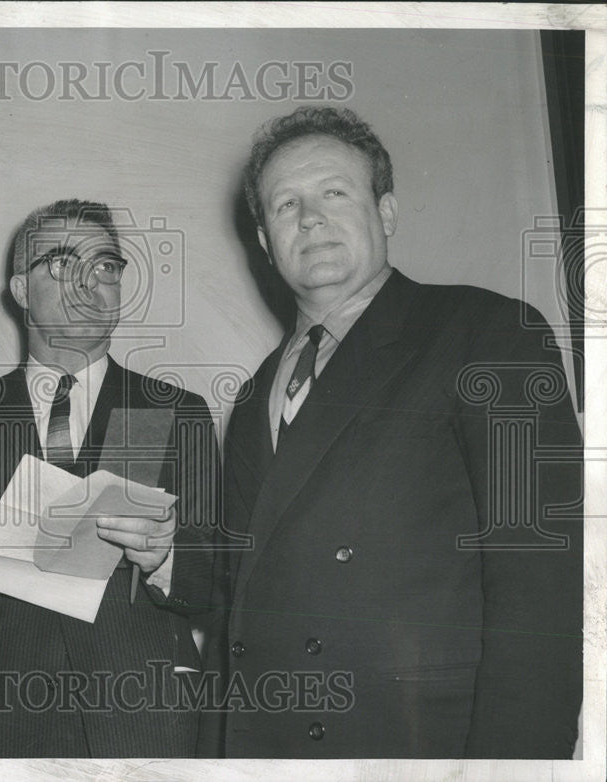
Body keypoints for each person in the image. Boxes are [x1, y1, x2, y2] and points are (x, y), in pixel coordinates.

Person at [220, 107, 583, 758]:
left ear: (386, 213)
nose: (310, 218)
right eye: (285, 205)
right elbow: (249, 583)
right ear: (265, 240)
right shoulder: (254, 397)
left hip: (423, 741)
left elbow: (540, 587)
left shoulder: (487, 333)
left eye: (334, 192)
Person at [0, 199, 220, 757]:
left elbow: (222, 578)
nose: (88, 281)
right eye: (61, 263)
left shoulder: (171, 410)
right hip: (0, 727)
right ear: (18, 288)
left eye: (106, 265)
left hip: (142, 725)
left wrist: (167, 556)